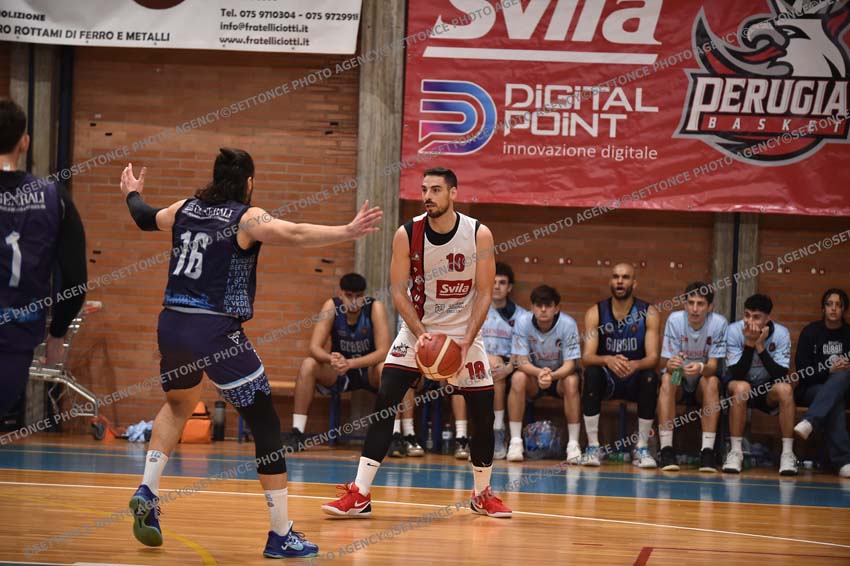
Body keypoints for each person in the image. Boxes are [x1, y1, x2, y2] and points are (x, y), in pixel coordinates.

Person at [119, 148, 382, 558]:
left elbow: (142, 216)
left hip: (171, 325)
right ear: (249, 183)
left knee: (178, 404)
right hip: (215, 330)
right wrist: (347, 231)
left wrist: (132, 192)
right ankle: (281, 534)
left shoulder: (183, 208)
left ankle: (148, 490)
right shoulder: (245, 217)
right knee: (265, 425)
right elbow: (295, 233)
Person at [321, 167, 512, 519]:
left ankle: (482, 493)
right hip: (417, 331)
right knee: (385, 400)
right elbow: (398, 291)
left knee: (483, 413)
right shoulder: (407, 233)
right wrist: (421, 333)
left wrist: (466, 341)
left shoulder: (478, 234)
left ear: (453, 193)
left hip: (464, 334)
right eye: (424, 189)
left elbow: (485, 292)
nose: (427, 196)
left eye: (436, 190)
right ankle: (360, 493)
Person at [0, 99, 87, 418]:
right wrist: (58, 333)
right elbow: (75, 278)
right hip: (17, 335)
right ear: (24, 142)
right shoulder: (53, 196)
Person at [287, 273, 418, 454]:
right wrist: (331, 359)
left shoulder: (375, 307)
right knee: (308, 364)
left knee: (390, 369)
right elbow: (314, 347)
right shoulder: (331, 306)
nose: (354, 301)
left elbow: (383, 351)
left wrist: (350, 363)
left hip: (368, 371)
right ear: (340, 294)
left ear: (365, 295)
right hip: (340, 372)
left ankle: (394, 436)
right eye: (349, 296)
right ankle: (297, 432)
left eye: (359, 296)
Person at [581, 263, 660, 468]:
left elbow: (653, 358)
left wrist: (635, 364)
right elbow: (587, 357)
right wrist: (607, 359)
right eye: (616, 277)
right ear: (610, 281)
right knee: (591, 373)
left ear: (634, 283)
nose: (619, 281)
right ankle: (593, 446)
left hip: (635, 378)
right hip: (608, 379)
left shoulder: (648, 313)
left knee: (650, 377)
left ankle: (641, 447)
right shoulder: (595, 312)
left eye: (625, 277)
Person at [722, 294, 796, 475]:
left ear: (767, 318)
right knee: (742, 387)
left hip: (766, 389)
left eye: (756, 317)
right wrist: (749, 343)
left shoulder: (781, 333)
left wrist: (760, 346)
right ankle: (735, 452)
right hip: (741, 385)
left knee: (786, 389)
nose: (750, 321)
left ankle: (788, 454)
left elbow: (780, 374)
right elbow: (736, 373)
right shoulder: (734, 331)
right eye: (747, 315)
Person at [657, 282, 728, 473]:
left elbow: (713, 367)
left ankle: (707, 452)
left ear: (710, 307)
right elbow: (666, 363)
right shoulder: (674, 320)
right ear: (685, 304)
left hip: (702, 376)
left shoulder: (719, 323)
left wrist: (700, 367)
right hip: (679, 375)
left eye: (700, 304)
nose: (694, 309)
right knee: (667, 379)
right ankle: (666, 449)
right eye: (690, 303)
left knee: (712, 382)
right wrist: (671, 365)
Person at [507, 285, 582, 463]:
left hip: (559, 378)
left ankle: (573, 444)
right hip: (534, 377)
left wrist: (552, 376)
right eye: (538, 305)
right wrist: (540, 373)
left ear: (556, 308)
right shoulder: (522, 322)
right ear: (532, 307)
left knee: (572, 381)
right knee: (517, 378)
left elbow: (570, 364)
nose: (543, 310)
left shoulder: (568, 324)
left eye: (548, 305)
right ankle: (515, 442)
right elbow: (521, 361)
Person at [793, 288, 850, 478]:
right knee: (834, 399)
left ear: (844, 310)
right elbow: (802, 371)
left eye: (838, 305)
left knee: (842, 378)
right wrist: (828, 371)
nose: (833, 308)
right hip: (811, 389)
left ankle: (810, 421)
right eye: (829, 304)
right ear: (823, 308)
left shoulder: (849, 333)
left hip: (845, 389)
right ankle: (844, 462)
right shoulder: (811, 332)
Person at [478, 262, 527, 459]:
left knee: (496, 367)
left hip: (508, 364)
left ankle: (497, 431)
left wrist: (508, 368)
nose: (497, 286)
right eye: (493, 282)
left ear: (510, 287)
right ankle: (478, 433)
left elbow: (521, 351)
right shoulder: (476, 309)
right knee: (492, 365)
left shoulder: (521, 316)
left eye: (502, 282)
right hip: (478, 361)